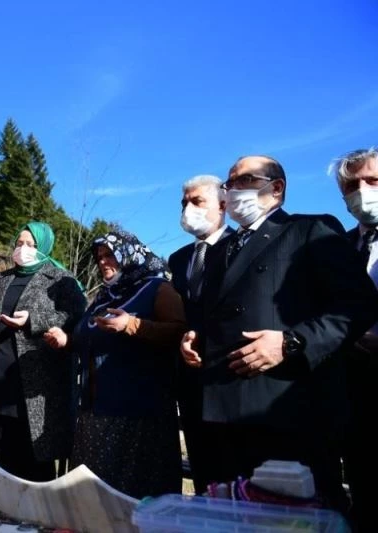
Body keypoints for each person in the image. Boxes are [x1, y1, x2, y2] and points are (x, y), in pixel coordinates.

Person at [180, 155, 378, 513]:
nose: (233, 189)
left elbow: (357, 304)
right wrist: (195, 336)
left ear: (277, 188)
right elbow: (218, 313)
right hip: (223, 415)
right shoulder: (220, 249)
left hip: (288, 412)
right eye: (230, 183)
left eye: (245, 180)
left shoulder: (309, 230)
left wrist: (291, 342)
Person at [56, 229, 185, 498]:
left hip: (138, 415)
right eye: (99, 257)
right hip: (94, 412)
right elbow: (89, 339)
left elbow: (179, 332)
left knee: (127, 497)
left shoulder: (158, 289)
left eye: (110, 254)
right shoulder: (105, 296)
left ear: (129, 255)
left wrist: (132, 325)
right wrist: (67, 340)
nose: (103, 261)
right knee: (90, 495)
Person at [0, 222, 86, 482]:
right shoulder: (1, 279)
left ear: (44, 247)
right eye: (19, 243)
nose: (23, 249)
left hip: (37, 384)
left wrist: (33, 320)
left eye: (30, 244)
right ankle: (2, 503)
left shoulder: (63, 280)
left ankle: (36, 506)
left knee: (34, 458)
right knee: (3, 449)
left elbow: (76, 317)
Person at [168, 174, 232, 494]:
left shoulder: (240, 247)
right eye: (184, 203)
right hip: (189, 377)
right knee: (202, 467)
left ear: (223, 205)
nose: (188, 209)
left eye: (197, 201)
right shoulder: (179, 259)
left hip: (228, 376)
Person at [331, 147, 378, 531]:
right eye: (351, 185)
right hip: (351, 395)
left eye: (372, 181)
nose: (361, 191)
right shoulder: (335, 249)